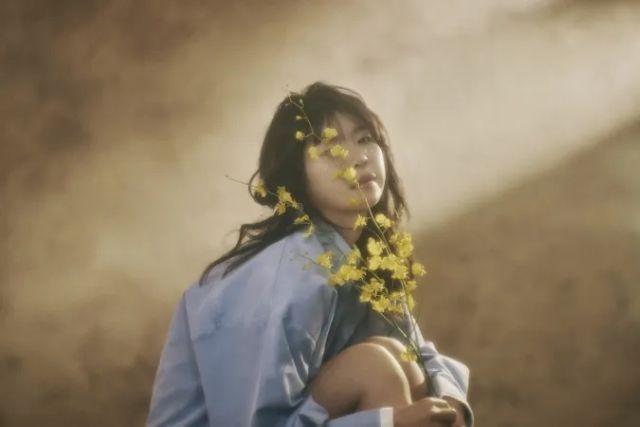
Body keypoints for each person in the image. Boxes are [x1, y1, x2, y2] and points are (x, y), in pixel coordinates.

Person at [147, 82, 473, 426]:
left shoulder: (363, 254)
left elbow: (416, 352)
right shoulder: (290, 276)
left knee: (396, 355)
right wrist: (389, 422)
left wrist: (449, 400)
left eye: (365, 139)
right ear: (295, 174)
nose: (359, 157)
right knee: (374, 367)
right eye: (331, 149)